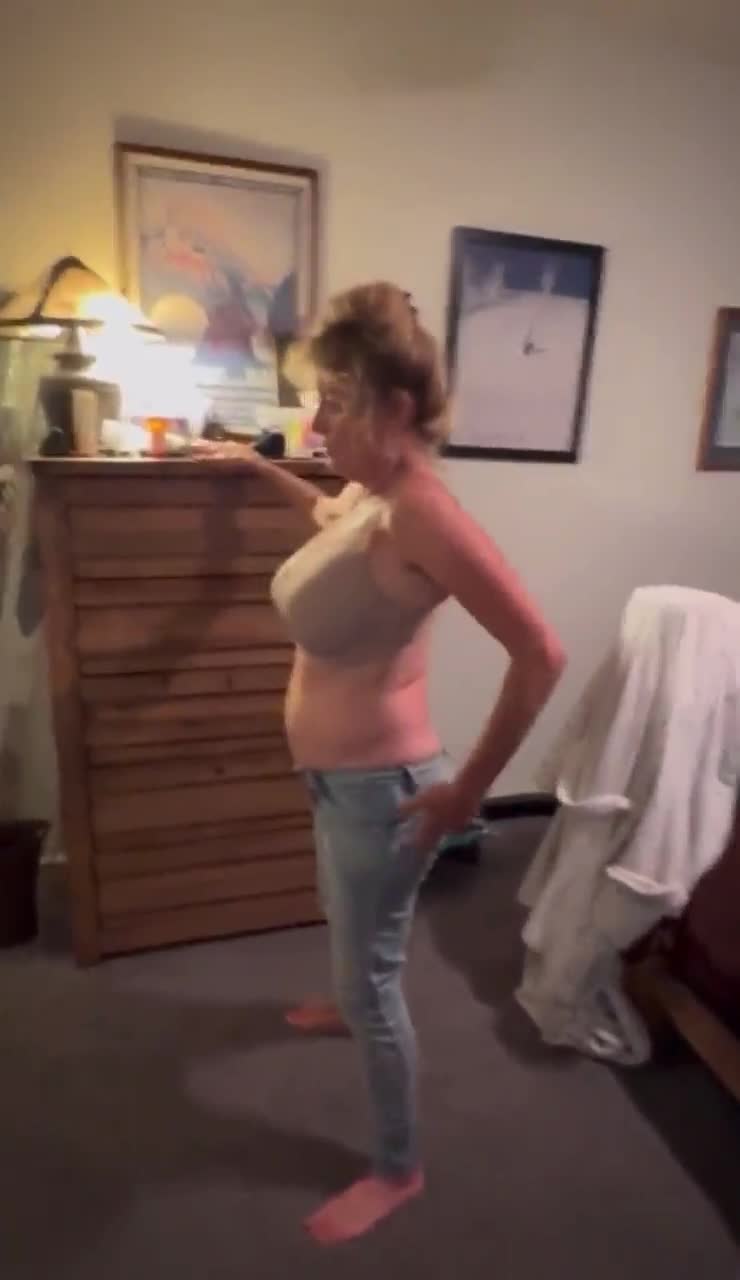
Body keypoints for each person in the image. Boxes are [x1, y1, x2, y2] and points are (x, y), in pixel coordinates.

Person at [198, 283, 566, 1244]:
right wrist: (253, 467)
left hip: (385, 794)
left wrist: (465, 795)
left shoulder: (428, 516)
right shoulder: (374, 493)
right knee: (346, 918)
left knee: (375, 980)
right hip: (336, 782)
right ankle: (344, 993)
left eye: (336, 402)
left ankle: (399, 1168)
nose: (317, 424)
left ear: (397, 409)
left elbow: (541, 654)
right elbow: (330, 517)